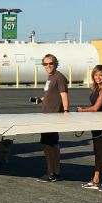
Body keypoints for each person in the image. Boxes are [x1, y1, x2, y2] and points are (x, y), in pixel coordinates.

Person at [36, 54, 69, 182]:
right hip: (47, 115)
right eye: (45, 64)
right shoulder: (51, 77)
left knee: (48, 145)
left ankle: (51, 173)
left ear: (56, 63)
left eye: (51, 63)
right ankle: (56, 172)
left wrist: (66, 111)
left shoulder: (59, 77)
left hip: (53, 116)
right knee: (52, 144)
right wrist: (41, 99)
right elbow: (51, 95)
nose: (48, 66)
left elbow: (64, 95)